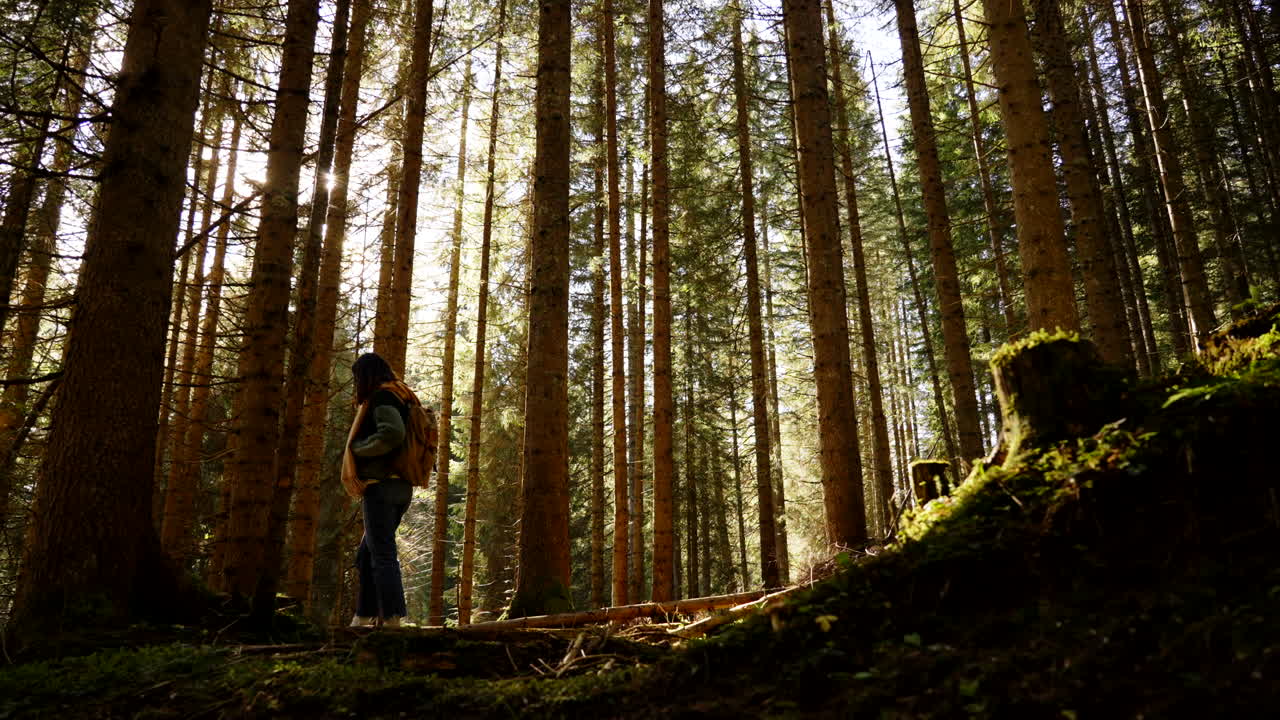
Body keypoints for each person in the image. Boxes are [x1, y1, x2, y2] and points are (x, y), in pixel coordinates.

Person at [343, 352, 411, 628]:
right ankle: (363, 617)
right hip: (401, 487)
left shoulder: (383, 397)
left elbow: (393, 433)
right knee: (367, 553)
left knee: (381, 553)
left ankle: (393, 619)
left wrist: (359, 449)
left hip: (381, 487)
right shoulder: (402, 395)